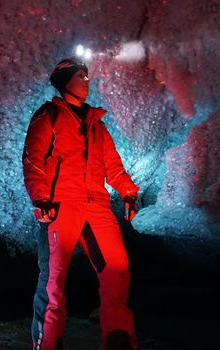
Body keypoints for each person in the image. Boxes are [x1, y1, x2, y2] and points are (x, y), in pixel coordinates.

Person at [22, 57, 140, 350]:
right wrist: (41, 198)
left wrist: (127, 191)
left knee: (117, 272)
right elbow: (33, 160)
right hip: (60, 206)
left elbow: (113, 165)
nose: (87, 80)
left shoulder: (96, 124)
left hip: (97, 206)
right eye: (80, 76)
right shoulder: (48, 115)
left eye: (87, 76)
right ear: (65, 82)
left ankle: (119, 343)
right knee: (53, 282)